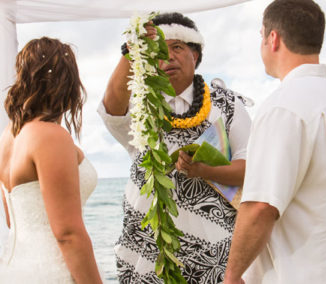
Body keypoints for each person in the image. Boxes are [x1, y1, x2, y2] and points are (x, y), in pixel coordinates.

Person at [98, 12, 252, 283]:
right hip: (147, 253)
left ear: (195, 54)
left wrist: (204, 169)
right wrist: (132, 48)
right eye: (158, 50)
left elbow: (251, 169)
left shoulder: (227, 105)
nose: (167, 57)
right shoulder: (140, 103)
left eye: (177, 48)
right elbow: (111, 107)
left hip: (213, 254)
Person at [224, 0, 326, 283]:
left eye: (260, 35)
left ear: (272, 38)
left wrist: (232, 274)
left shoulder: (283, 106)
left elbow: (262, 205)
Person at [0, 37, 103, 283]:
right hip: (52, 273)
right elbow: (68, 234)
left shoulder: (9, 135)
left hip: (15, 269)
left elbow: (11, 219)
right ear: (68, 82)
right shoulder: (51, 136)